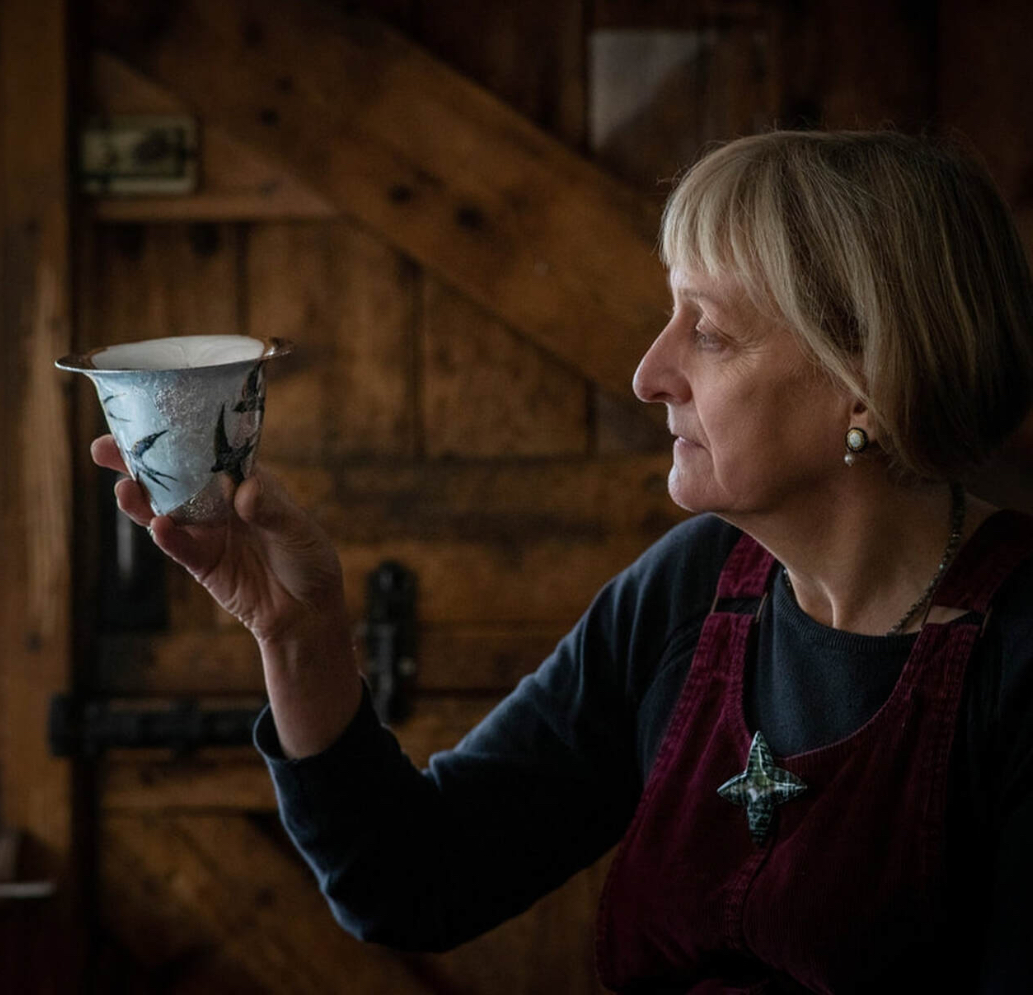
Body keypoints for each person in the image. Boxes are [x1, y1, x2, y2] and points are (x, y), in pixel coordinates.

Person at [92, 130, 1033, 993]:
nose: (646, 374)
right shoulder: (695, 587)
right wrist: (299, 634)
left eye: (706, 330)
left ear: (862, 377)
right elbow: (414, 882)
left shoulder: (1017, 647)